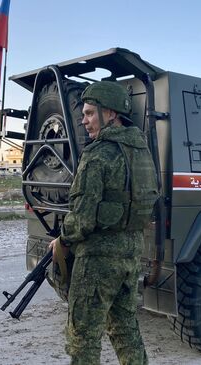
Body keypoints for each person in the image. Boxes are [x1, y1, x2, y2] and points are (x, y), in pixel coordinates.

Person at [48, 81, 158, 365]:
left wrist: (62, 240)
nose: (84, 121)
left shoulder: (97, 154)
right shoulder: (141, 151)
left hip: (97, 261)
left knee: (83, 338)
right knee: (126, 330)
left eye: (89, 114)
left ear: (109, 113)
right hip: (130, 255)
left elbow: (82, 218)